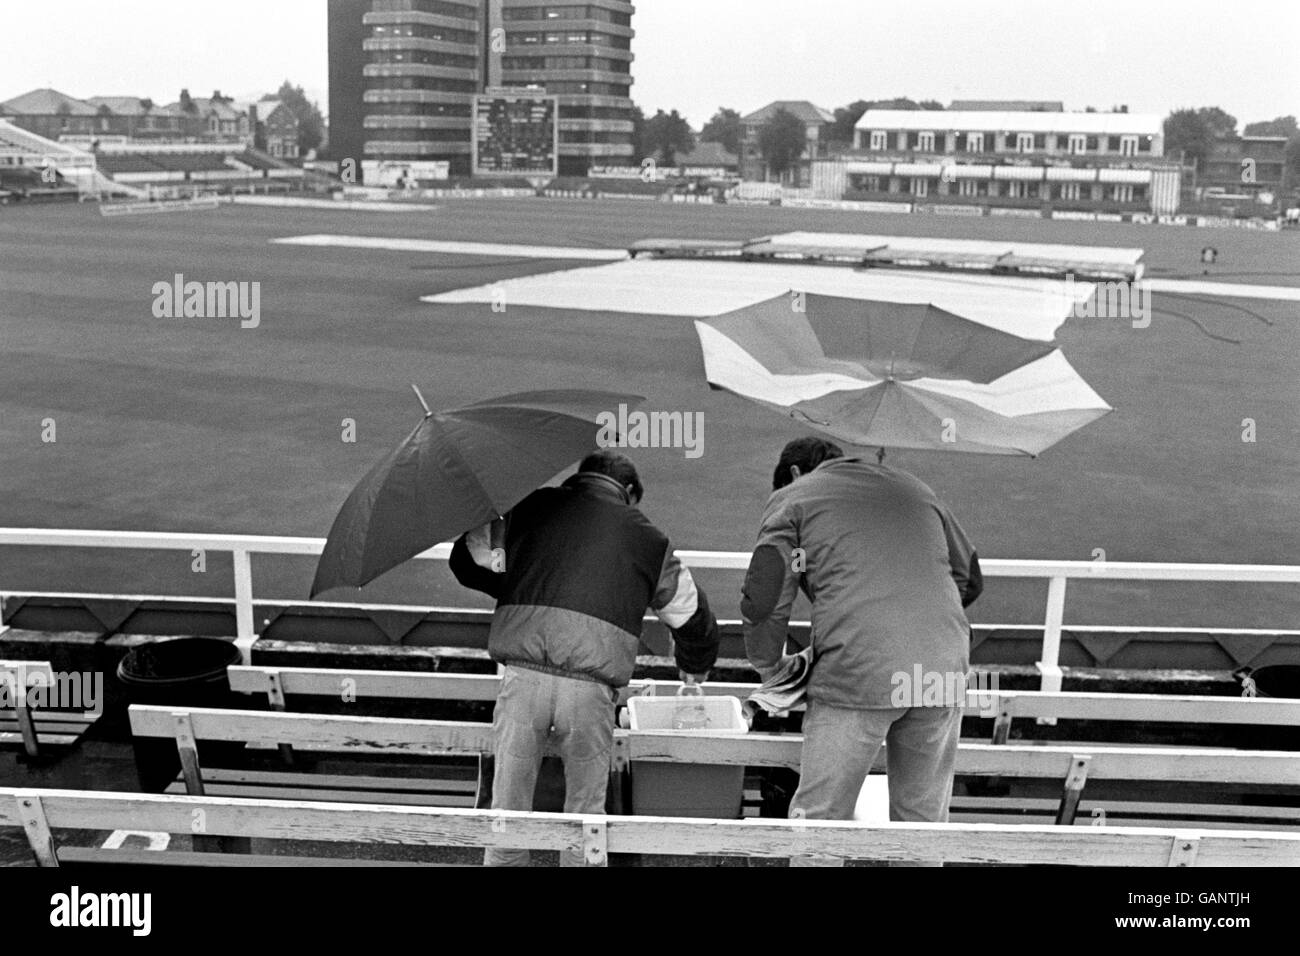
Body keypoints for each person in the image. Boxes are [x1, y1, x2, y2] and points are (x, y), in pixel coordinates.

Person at [450, 449, 720, 866]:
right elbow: (689, 615)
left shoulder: (530, 507)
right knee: (585, 821)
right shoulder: (650, 540)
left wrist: (522, 579)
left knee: (506, 812)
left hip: (522, 679)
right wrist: (695, 662)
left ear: (581, 477)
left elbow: (469, 563)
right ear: (629, 493)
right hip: (590, 690)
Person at [741, 437, 982, 863]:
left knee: (820, 822)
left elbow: (765, 595)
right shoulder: (915, 488)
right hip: (943, 669)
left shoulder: (793, 499)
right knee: (922, 827)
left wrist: (769, 667)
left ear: (795, 472)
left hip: (858, 670)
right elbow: (969, 577)